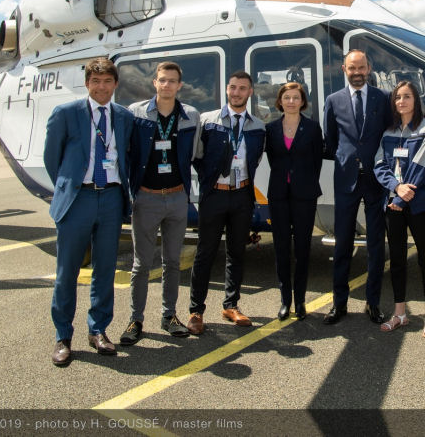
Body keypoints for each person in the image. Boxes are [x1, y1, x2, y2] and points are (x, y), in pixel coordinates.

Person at [44, 57, 134, 366]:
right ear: (87, 84)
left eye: (107, 81)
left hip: (110, 198)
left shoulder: (123, 117)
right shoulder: (66, 114)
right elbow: (52, 160)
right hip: (78, 200)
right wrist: (71, 186)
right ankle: (63, 336)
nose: (101, 87)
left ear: (115, 84)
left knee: (105, 269)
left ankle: (98, 330)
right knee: (67, 272)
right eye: (95, 81)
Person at [120, 61, 201, 345]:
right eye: (162, 80)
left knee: (173, 262)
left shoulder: (191, 115)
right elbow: (127, 154)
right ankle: (135, 319)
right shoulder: (136, 113)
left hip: (178, 197)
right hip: (146, 198)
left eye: (172, 81)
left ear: (180, 85)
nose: (167, 85)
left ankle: (169, 316)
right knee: (141, 264)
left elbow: (195, 153)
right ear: (154, 83)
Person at [186, 71, 266, 334]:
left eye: (242, 88)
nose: (237, 92)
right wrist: (211, 179)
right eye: (233, 87)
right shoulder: (208, 121)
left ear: (250, 92)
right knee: (205, 253)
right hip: (215, 195)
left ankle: (231, 305)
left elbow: (254, 160)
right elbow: (197, 155)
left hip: (242, 194)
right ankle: (196, 310)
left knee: (237, 252)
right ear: (227, 90)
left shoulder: (257, 125)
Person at [321, 50, 393, 325]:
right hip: (346, 179)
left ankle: (372, 304)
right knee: (342, 244)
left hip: (375, 179)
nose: (358, 72)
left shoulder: (382, 98)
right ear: (344, 69)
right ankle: (339, 304)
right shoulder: (333, 100)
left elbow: (387, 135)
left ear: (369, 68)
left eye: (362, 67)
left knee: (376, 245)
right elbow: (331, 140)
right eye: (352, 68)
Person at [373, 81, 425, 337]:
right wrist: (395, 186)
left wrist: (401, 197)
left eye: (407, 97)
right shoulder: (388, 131)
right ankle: (400, 312)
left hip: (417, 205)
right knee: (398, 260)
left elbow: (422, 165)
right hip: (393, 203)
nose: (402, 101)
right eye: (398, 98)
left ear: (416, 100)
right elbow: (379, 164)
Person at [265, 82, 324, 321]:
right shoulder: (270, 129)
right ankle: (284, 301)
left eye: (296, 97)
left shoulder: (312, 128)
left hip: (304, 195)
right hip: (278, 194)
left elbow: (316, 162)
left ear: (302, 101)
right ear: (280, 101)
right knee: (281, 249)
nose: (291, 101)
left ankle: (300, 301)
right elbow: (272, 159)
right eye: (286, 97)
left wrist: (302, 183)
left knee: (302, 249)